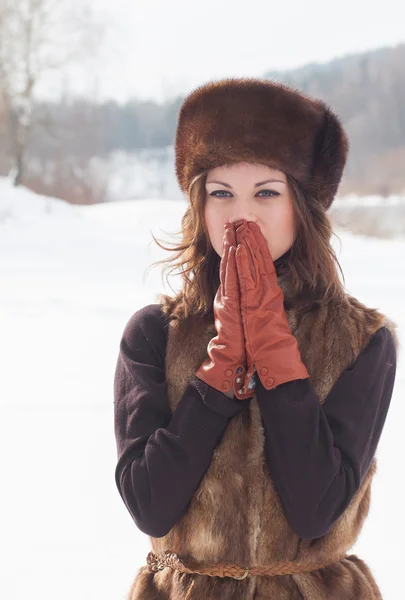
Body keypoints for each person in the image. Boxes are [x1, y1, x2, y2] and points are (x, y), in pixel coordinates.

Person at [113, 77, 399, 600]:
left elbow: (316, 507)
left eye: (266, 192)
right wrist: (218, 378)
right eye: (221, 193)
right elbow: (150, 504)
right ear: (199, 207)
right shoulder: (153, 335)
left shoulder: (362, 342)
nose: (241, 214)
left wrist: (275, 357)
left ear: (303, 206)